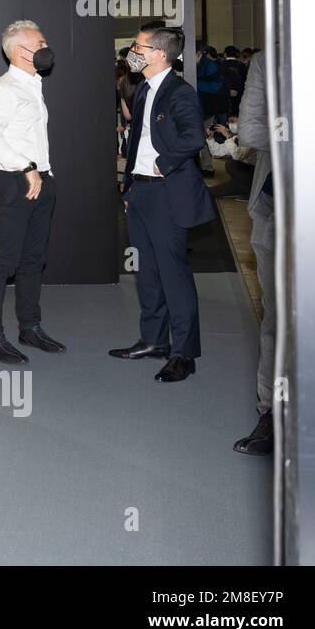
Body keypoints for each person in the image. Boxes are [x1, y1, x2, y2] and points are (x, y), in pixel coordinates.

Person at [110, 25, 216, 382]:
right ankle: (154, 340)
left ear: (158, 53)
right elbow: (138, 141)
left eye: (138, 46)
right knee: (148, 274)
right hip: (141, 193)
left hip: (168, 193)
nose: (132, 52)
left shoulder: (179, 92)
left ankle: (184, 353)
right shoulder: (143, 89)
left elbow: (194, 137)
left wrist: (163, 162)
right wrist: (129, 189)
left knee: (174, 275)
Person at [0, 19, 63, 364]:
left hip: (41, 181)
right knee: (3, 262)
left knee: (32, 261)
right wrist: (26, 166)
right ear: (18, 51)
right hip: (13, 184)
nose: (45, 48)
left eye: (44, 41)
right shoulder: (1, 89)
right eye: (39, 44)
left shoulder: (34, 86)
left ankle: (30, 327)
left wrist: (43, 172)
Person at [233, 50, 276, 454]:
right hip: (277, 209)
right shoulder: (270, 59)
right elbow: (249, 131)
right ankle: (273, 414)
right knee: (278, 321)